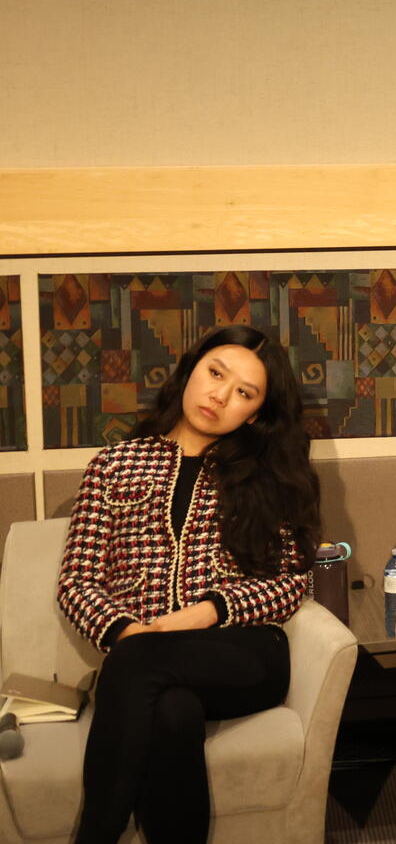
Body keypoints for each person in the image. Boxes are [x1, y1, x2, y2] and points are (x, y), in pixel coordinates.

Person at [56, 325, 321, 844]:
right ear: (190, 369)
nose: (220, 396)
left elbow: (292, 582)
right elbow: (76, 581)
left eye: (244, 392)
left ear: (257, 412)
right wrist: (125, 630)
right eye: (215, 373)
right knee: (173, 712)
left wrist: (207, 611)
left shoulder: (268, 476)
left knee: (136, 665)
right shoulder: (114, 467)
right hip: (147, 656)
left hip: (243, 653)